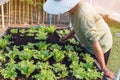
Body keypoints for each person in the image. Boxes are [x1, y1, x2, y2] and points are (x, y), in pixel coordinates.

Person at [43, 0, 114, 79]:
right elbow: (77, 25)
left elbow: (95, 42)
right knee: (90, 65)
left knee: (96, 70)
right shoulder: (73, 9)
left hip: (100, 44)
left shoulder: (84, 15)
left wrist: (103, 68)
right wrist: (67, 36)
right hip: (91, 43)